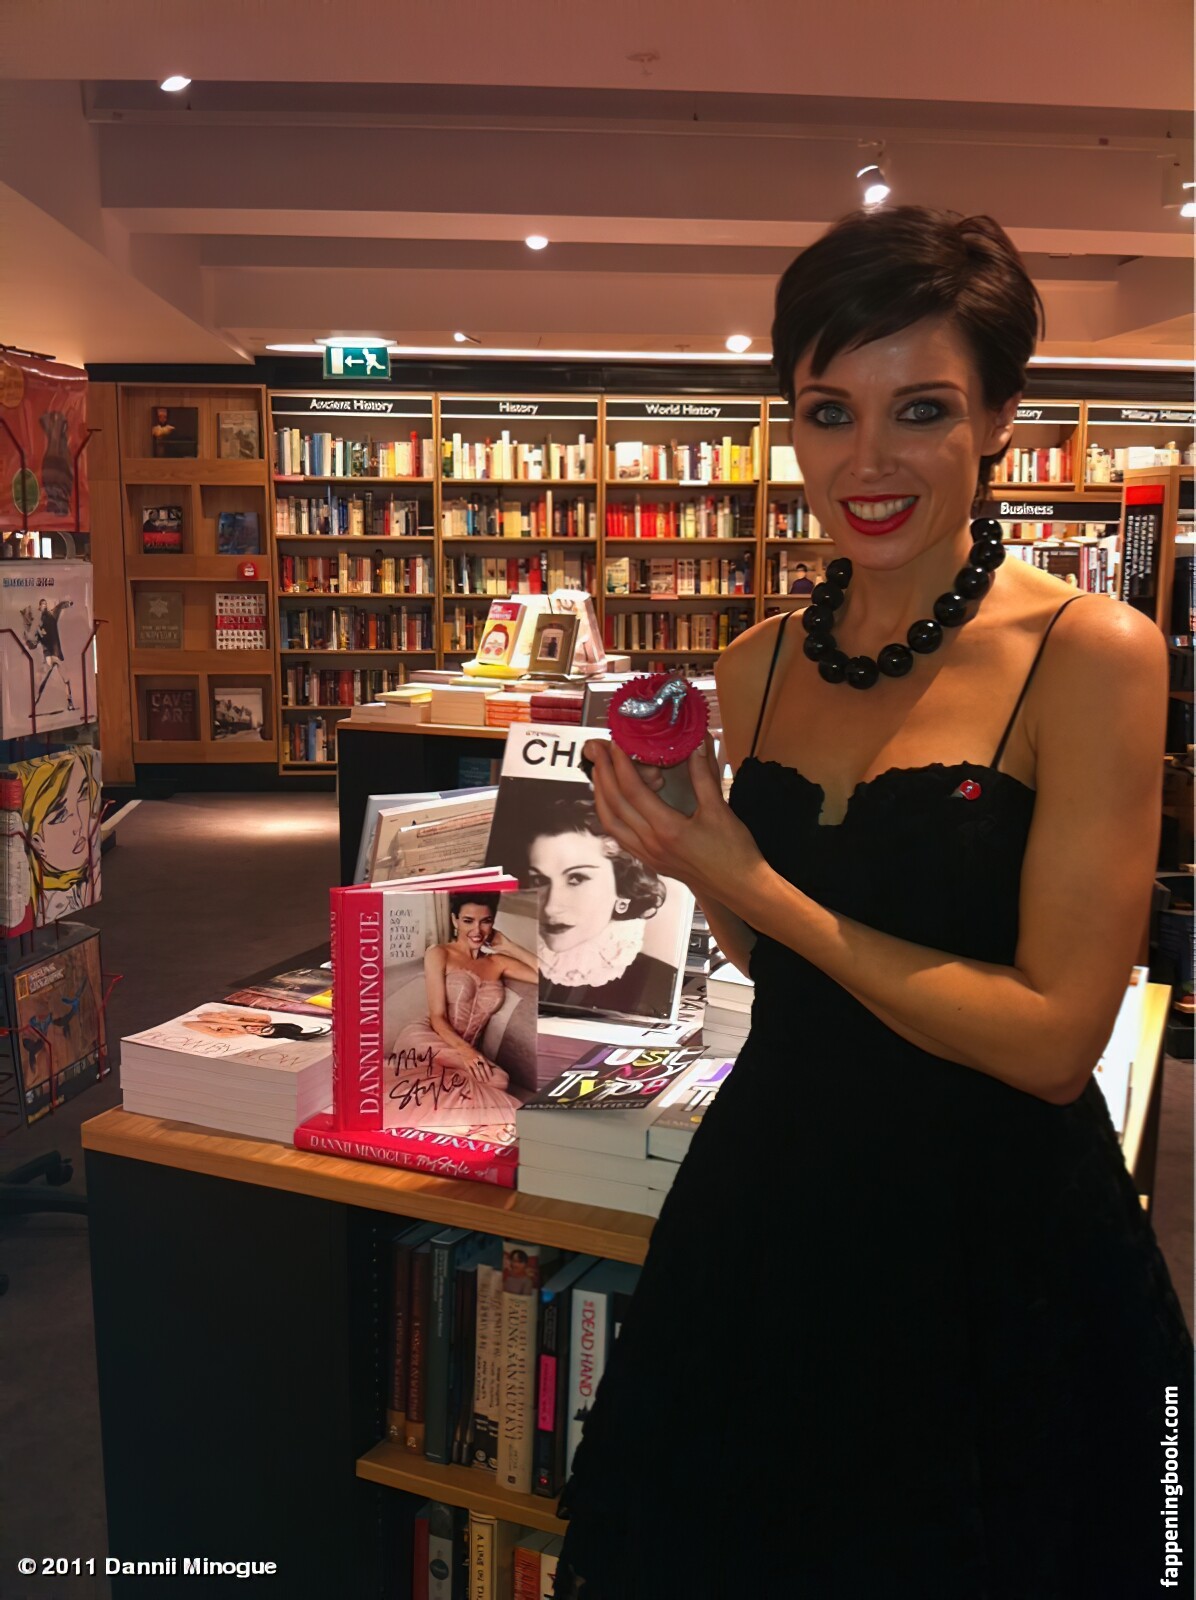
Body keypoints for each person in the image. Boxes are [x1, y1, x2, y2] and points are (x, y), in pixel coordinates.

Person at [556, 206, 1193, 1598]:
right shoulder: (755, 664)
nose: (867, 462)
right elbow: (774, 962)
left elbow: (1051, 1042)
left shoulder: (1091, 652)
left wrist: (755, 886)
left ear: (1000, 418)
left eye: (921, 409)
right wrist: (695, 866)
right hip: (774, 1196)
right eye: (826, 411)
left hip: (992, 1234)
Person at [386, 892, 539, 1126]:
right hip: (429, 1036)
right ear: (454, 920)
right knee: (496, 1079)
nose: (477, 930)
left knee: (496, 1080)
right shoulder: (439, 953)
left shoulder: (497, 962)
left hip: (461, 1050)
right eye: (468, 921)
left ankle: (443, 1118)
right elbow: (437, 1017)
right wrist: (467, 1052)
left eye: (485, 921)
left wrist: (509, 946)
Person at [518, 793, 676, 1019]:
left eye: (576, 878)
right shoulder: (510, 961)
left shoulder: (658, 982)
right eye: (539, 880)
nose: (550, 907)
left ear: (622, 890)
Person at [20, 748, 101, 924]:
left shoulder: (90, 881)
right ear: (36, 842)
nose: (78, 824)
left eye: (83, 794)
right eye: (61, 815)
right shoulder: (31, 907)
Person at [181, 1008, 330, 1043]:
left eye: (262, 1032)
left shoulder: (230, 1033)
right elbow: (208, 1015)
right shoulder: (263, 1018)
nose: (257, 1029)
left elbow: (189, 1023)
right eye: (266, 1028)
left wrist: (236, 1024)